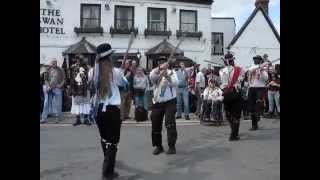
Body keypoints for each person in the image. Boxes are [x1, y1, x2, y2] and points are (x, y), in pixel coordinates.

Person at [93, 43, 126, 180]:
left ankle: (109, 169)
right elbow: (125, 85)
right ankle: (107, 173)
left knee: (105, 139)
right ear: (109, 57)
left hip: (99, 110)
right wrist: (123, 72)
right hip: (112, 111)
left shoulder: (93, 72)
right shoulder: (116, 72)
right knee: (113, 142)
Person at [149, 59, 179, 155]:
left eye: (163, 64)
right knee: (155, 123)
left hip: (170, 102)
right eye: (160, 64)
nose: (162, 65)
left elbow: (175, 83)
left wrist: (167, 75)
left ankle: (171, 146)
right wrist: (160, 70)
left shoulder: (172, 72)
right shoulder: (155, 71)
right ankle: (158, 146)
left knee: (169, 123)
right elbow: (152, 77)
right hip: (157, 102)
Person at [220, 52, 244, 141]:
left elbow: (223, 83)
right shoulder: (239, 69)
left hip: (226, 93)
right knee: (236, 115)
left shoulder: (221, 71)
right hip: (235, 93)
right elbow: (241, 80)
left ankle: (233, 132)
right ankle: (234, 134)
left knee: (229, 114)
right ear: (232, 60)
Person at [247, 55, 269, 130]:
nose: (255, 60)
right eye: (255, 59)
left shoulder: (264, 69)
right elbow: (250, 70)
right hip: (252, 88)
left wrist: (262, 70)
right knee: (251, 107)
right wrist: (259, 67)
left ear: (260, 60)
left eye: (257, 59)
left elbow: (266, 78)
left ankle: (259, 114)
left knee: (259, 103)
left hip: (260, 88)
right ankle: (254, 125)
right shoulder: (252, 67)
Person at [41, 59, 65, 123]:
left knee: (58, 104)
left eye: (55, 62)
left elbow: (63, 79)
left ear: (57, 63)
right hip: (49, 88)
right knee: (46, 104)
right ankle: (44, 119)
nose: (54, 64)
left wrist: (60, 85)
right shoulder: (48, 70)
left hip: (57, 88)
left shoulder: (61, 70)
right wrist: (48, 86)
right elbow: (45, 79)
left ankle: (58, 118)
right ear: (51, 63)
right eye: (53, 63)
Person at [70, 55, 92, 126]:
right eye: (77, 60)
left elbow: (90, 77)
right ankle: (78, 119)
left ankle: (86, 119)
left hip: (85, 88)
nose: (77, 61)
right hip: (76, 88)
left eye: (79, 60)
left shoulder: (88, 67)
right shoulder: (73, 67)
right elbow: (71, 77)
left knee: (86, 104)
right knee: (77, 104)